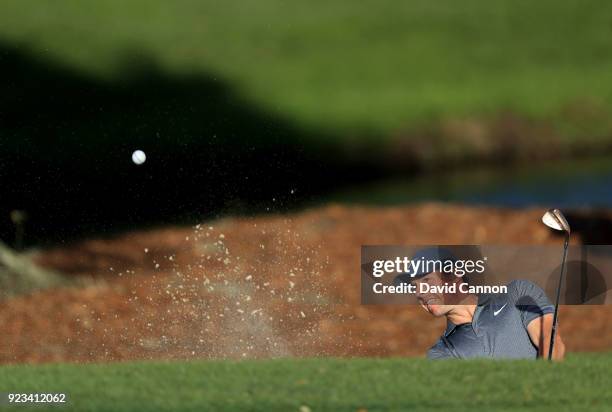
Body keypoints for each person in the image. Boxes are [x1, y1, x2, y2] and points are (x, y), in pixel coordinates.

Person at [394, 247, 565, 360]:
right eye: (414, 287)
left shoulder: (518, 292)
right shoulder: (441, 353)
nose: (419, 293)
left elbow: (550, 339)